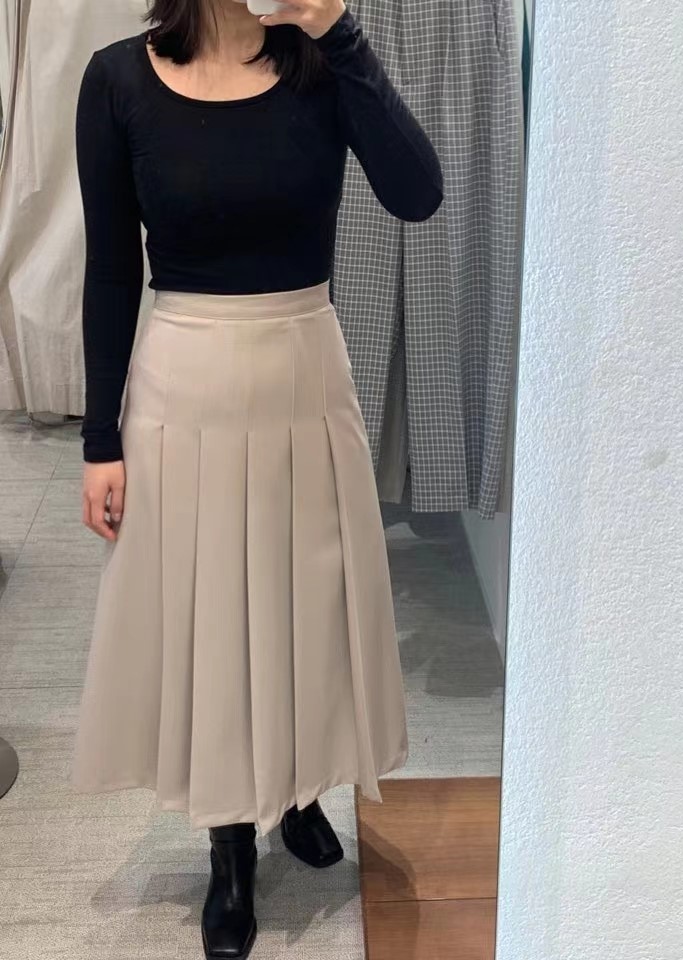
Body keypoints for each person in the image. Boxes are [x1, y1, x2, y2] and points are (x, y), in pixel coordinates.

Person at [70, 0, 443, 956]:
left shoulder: (323, 65)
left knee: (306, 604)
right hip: (182, 386)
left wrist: (340, 31)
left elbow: (419, 193)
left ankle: (301, 787)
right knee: (213, 618)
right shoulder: (118, 79)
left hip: (304, 378)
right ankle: (230, 845)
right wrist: (100, 440)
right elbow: (110, 270)